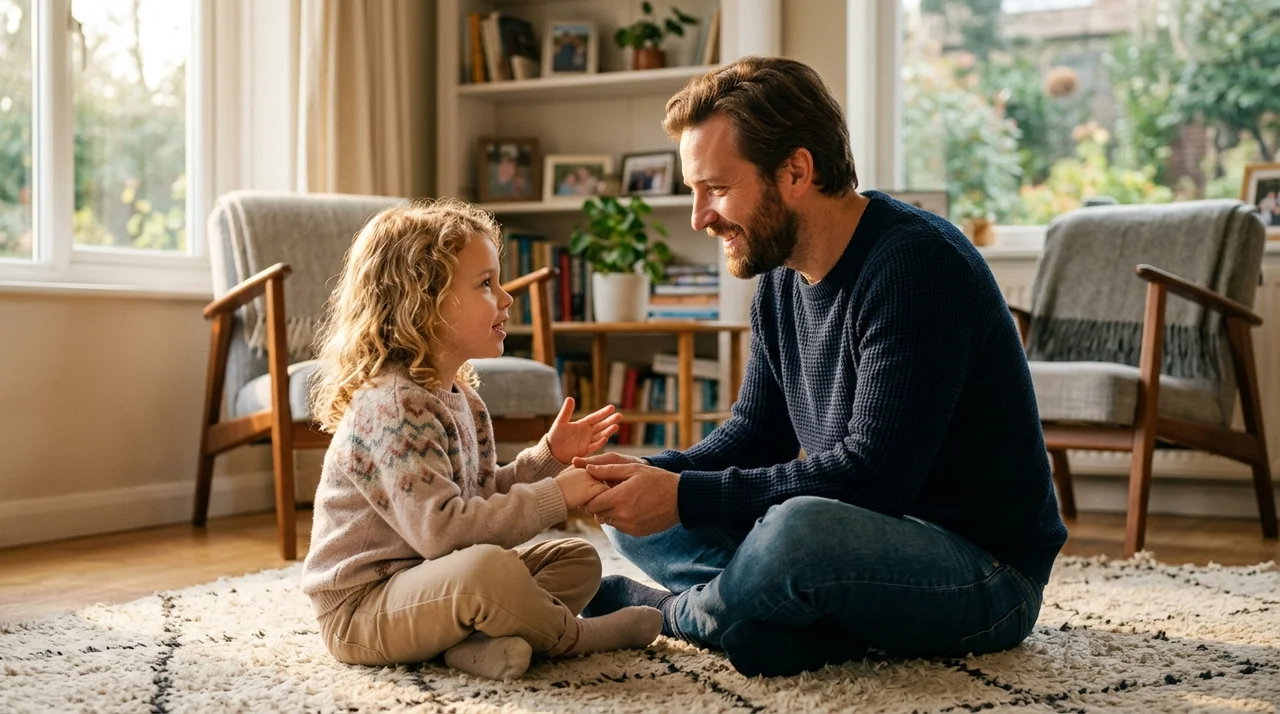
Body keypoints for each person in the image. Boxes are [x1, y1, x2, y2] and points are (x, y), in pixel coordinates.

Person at [573, 57, 1069, 678]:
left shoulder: (918, 265)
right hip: (861, 547)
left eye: (717, 189)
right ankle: (784, 623)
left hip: (985, 576)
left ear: (796, 171)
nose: (700, 217)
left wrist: (684, 495)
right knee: (633, 512)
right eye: (694, 191)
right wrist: (648, 477)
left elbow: (876, 478)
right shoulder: (780, 281)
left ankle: (665, 612)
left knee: (797, 534)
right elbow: (753, 435)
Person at [300, 199, 663, 681]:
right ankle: (576, 638)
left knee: (574, 559)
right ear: (422, 301)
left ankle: (472, 646)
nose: (507, 298)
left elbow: (481, 497)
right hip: (362, 611)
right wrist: (558, 496)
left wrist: (548, 459)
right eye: (486, 284)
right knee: (488, 571)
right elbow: (444, 534)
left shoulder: (462, 399)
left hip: (431, 586)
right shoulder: (390, 406)